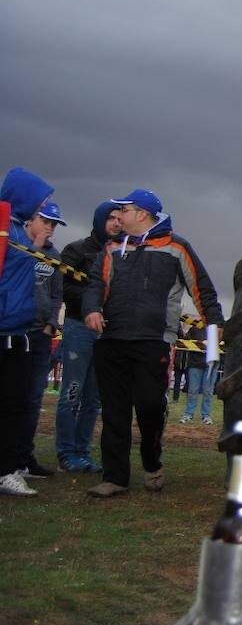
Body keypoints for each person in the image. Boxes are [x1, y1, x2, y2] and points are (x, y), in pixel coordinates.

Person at [83, 189, 224, 498]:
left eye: (125, 210)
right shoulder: (110, 249)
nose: (118, 215)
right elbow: (95, 284)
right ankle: (115, 477)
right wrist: (92, 309)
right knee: (114, 411)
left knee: (149, 405)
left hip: (154, 341)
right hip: (111, 339)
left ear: (143, 214)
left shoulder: (176, 247)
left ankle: (152, 464)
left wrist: (214, 325)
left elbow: (202, 288)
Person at [0, 167, 55, 498]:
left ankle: (7, 469)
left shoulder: (19, 232)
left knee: (16, 403)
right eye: (39, 201)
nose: (42, 207)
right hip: (3, 328)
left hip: (19, 331)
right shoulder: (5, 229)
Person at [55, 200, 120, 473]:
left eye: (119, 218)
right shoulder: (76, 250)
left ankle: (82, 452)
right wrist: (93, 302)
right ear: (99, 219)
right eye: (111, 218)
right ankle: (65, 451)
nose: (116, 223)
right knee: (72, 391)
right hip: (78, 327)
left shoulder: (120, 252)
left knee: (93, 397)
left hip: (104, 332)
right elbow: (62, 286)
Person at [19, 201, 64, 479]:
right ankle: (9, 457)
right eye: (45, 220)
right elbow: (16, 277)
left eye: (54, 223)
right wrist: (34, 245)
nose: (49, 227)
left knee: (33, 399)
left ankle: (25, 455)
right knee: (12, 397)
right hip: (15, 331)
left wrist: (51, 325)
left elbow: (57, 294)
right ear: (31, 219)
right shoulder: (14, 245)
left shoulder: (54, 255)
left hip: (40, 335)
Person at [180, 323, 216, 424]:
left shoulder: (217, 329)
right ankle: (188, 414)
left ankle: (206, 415)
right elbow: (186, 341)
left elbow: (224, 342)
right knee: (192, 390)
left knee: (208, 391)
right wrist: (201, 343)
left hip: (211, 364)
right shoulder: (194, 328)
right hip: (195, 363)